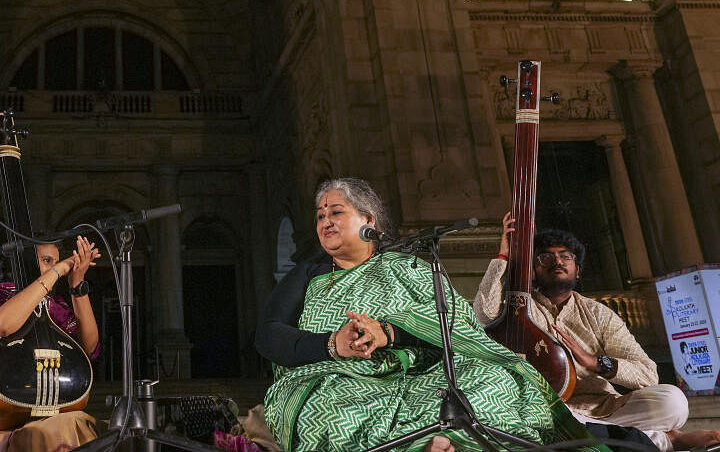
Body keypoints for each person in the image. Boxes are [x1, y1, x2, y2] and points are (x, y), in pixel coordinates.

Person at [256, 178, 602, 452]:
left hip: (416, 370)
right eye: (320, 215)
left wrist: (388, 333)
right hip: (335, 377)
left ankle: (437, 441)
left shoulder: (407, 266)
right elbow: (268, 335)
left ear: (368, 220)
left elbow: (457, 323)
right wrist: (335, 344)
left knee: (496, 379)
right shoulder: (308, 273)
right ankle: (432, 443)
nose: (325, 221)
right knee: (329, 413)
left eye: (336, 212)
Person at [474, 217, 720, 452]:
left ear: (577, 271)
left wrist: (596, 362)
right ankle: (665, 441)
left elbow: (648, 375)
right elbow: (484, 313)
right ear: (534, 270)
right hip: (551, 407)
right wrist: (504, 257)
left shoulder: (599, 315)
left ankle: (608, 436)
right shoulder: (521, 308)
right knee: (537, 418)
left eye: (565, 256)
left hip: (606, 407)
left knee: (673, 401)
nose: (557, 262)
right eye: (546, 257)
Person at [0, 235, 101, 452]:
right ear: (21, 261)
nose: (56, 266)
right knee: (56, 431)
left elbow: (88, 347)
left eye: (56, 261)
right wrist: (57, 271)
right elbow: (3, 324)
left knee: (80, 425)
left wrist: (76, 284)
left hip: (47, 417)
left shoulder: (54, 307)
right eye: (47, 260)